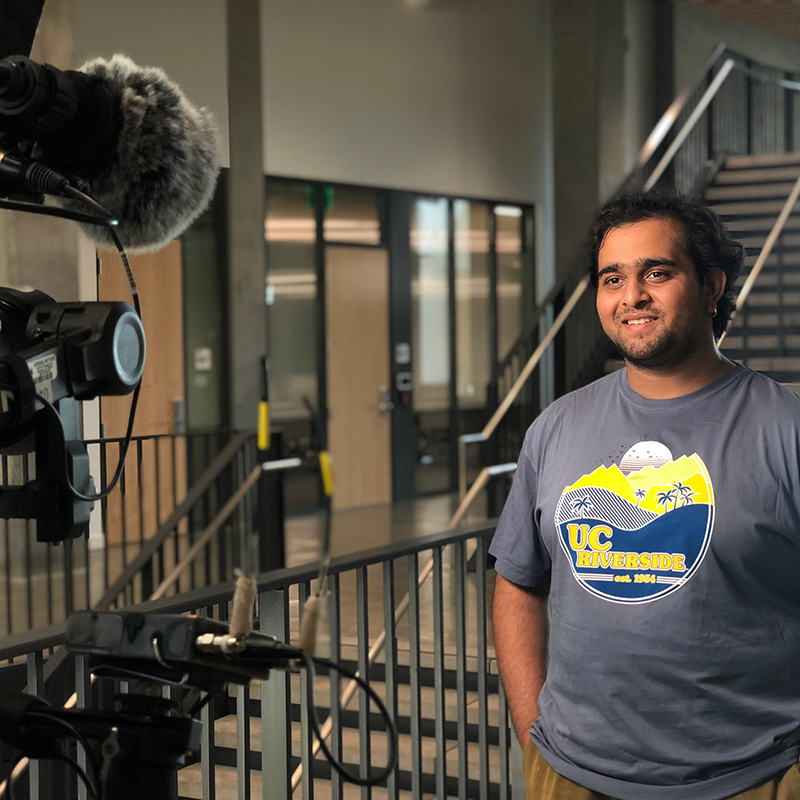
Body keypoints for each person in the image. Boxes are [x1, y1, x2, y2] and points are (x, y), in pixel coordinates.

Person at [489, 191, 800, 800]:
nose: (632, 296)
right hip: (570, 775)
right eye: (613, 278)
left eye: (657, 272)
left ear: (712, 286)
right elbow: (519, 582)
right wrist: (533, 739)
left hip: (751, 778)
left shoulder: (785, 429)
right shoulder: (556, 427)